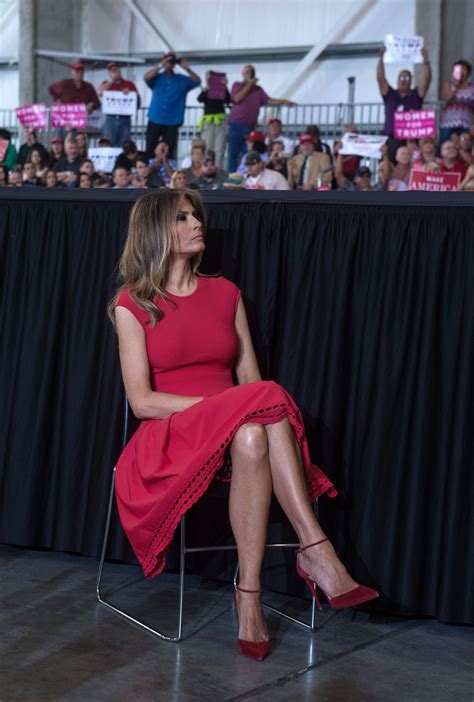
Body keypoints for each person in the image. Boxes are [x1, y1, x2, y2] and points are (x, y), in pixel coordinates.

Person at [108, 189, 379, 661]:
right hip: (171, 437)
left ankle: (248, 595)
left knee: (254, 429)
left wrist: (234, 413)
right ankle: (314, 548)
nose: (197, 224)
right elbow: (142, 402)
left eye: (196, 216)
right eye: (183, 218)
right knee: (263, 403)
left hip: (238, 434)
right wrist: (219, 408)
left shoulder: (226, 293)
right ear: (156, 231)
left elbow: (250, 381)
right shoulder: (133, 303)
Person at [228, 64, 295, 172]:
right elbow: (237, 98)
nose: (274, 128)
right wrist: (250, 84)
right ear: (243, 74)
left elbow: (268, 100)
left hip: (250, 127)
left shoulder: (286, 141)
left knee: (249, 154)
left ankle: (248, 177)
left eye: (251, 72)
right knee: (233, 154)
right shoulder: (237, 85)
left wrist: (283, 101)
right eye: (247, 72)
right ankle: (231, 180)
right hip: (236, 124)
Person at [377, 46, 432, 162]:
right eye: (401, 77)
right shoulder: (390, 94)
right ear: (397, 80)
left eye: (407, 77)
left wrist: (426, 61)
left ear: (411, 81)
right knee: (388, 167)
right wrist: (380, 59)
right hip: (391, 137)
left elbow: (426, 81)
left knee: (411, 169)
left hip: (411, 139)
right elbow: (380, 79)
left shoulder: (416, 94)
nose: (404, 79)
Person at [144, 52, 201, 159]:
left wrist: (187, 69)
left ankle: (168, 174)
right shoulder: (157, 77)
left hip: (172, 121)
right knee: (150, 149)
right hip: (155, 118)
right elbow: (146, 77)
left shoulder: (182, 79)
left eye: (171, 61)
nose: (169, 63)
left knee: (169, 151)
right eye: (167, 61)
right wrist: (161, 65)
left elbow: (197, 81)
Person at [98, 62, 141, 147]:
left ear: (120, 70)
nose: (114, 72)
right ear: (109, 73)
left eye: (116, 70)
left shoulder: (129, 84)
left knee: (124, 145)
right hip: (110, 118)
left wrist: (130, 94)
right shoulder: (106, 83)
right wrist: (111, 80)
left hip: (125, 119)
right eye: (111, 71)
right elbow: (100, 92)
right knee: (108, 144)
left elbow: (138, 102)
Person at [197, 72, 231, 169]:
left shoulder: (222, 89)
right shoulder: (206, 89)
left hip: (220, 120)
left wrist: (225, 86)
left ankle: (218, 171)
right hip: (208, 121)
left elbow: (228, 100)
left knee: (219, 148)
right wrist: (207, 86)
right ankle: (206, 169)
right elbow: (199, 99)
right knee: (207, 148)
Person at [440, 60, 474, 144]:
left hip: (466, 123)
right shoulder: (447, 84)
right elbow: (447, 98)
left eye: (463, 69)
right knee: (446, 146)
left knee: (464, 147)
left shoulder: (472, 88)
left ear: (468, 73)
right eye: (458, 69)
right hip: (448, 123)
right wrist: (454, 85)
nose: (461, 72)